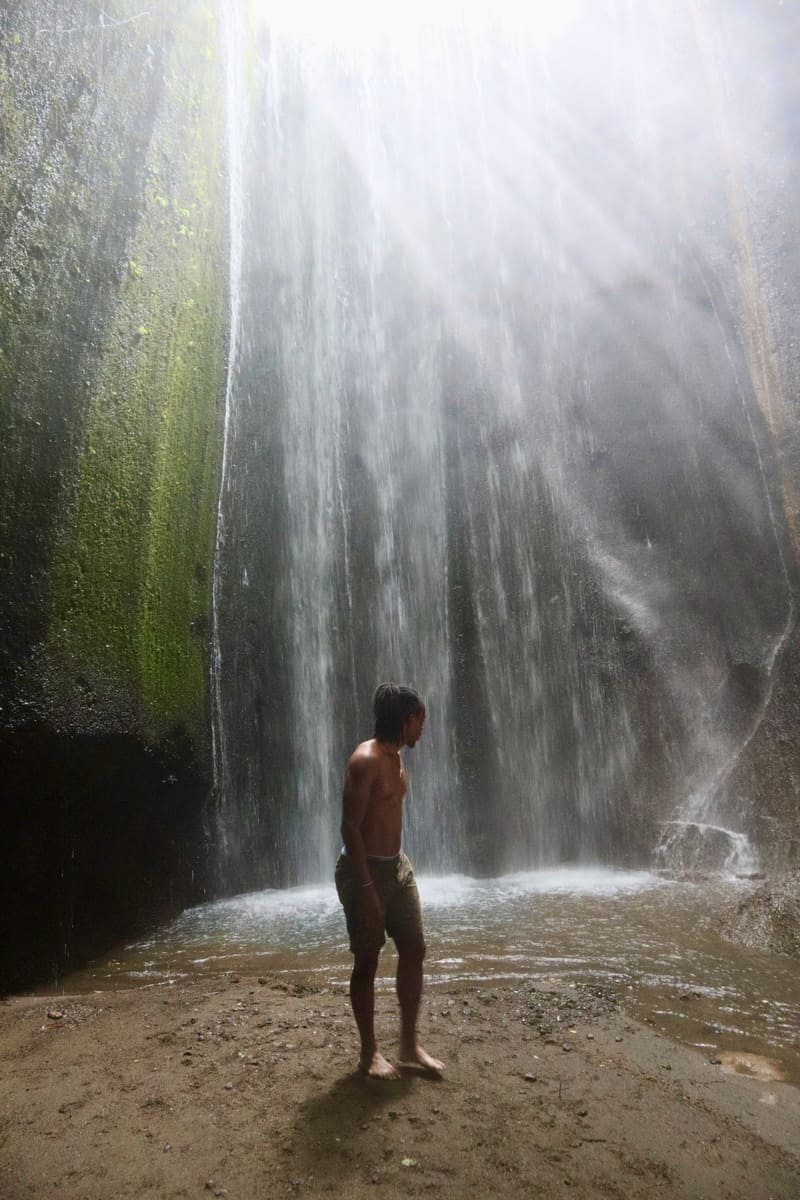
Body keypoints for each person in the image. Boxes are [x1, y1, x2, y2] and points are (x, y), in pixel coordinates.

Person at [335, 683, 444, 1080]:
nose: (423, 729)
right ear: (406, 720)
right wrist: (366, 888)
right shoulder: (365, 760)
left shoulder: (396, 757)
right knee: (367, 961)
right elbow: (349, 829)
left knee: (414, 947)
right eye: (421, 721)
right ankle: (369, 1053)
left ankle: (409, 1044)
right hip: (364, 871)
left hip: (398, 867)